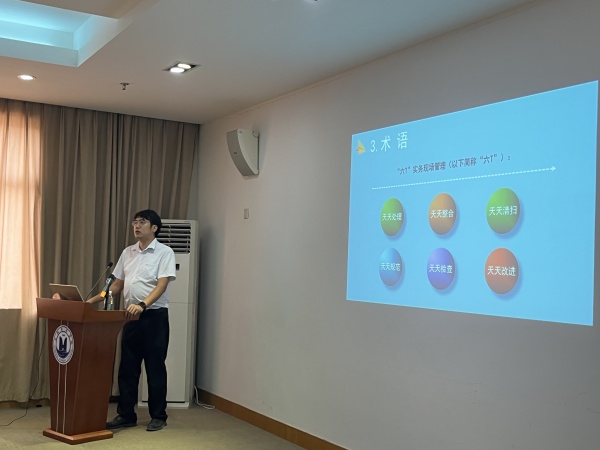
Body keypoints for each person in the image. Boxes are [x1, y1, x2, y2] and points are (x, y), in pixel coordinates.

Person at [88, 209, 176, 432]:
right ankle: (126, 415)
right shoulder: (128, 252)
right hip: (129, 317)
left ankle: (159, 416)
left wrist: (143, 304)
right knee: (127, 368)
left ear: (154, 227)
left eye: (142, 222)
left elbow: (162, 285)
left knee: (155, 368)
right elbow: (116, 285)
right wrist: (91, 301)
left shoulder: (164, 252)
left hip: (154, 316)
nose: (136, 226)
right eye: (135, 222)